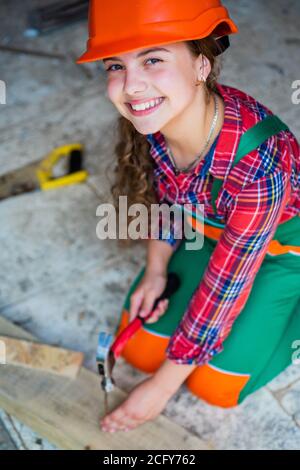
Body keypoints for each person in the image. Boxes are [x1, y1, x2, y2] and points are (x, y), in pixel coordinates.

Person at [77, 0, 300, 433]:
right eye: (114, 66)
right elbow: (170, 200)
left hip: (282, 250)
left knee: (216, 388)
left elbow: (226, 286)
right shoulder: (159, 119)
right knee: (142, 350)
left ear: (201, 66)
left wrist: (161, 389)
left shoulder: (259, 165)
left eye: (153, 59)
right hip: (217, 232)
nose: (132, 86)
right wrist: (156, 269)